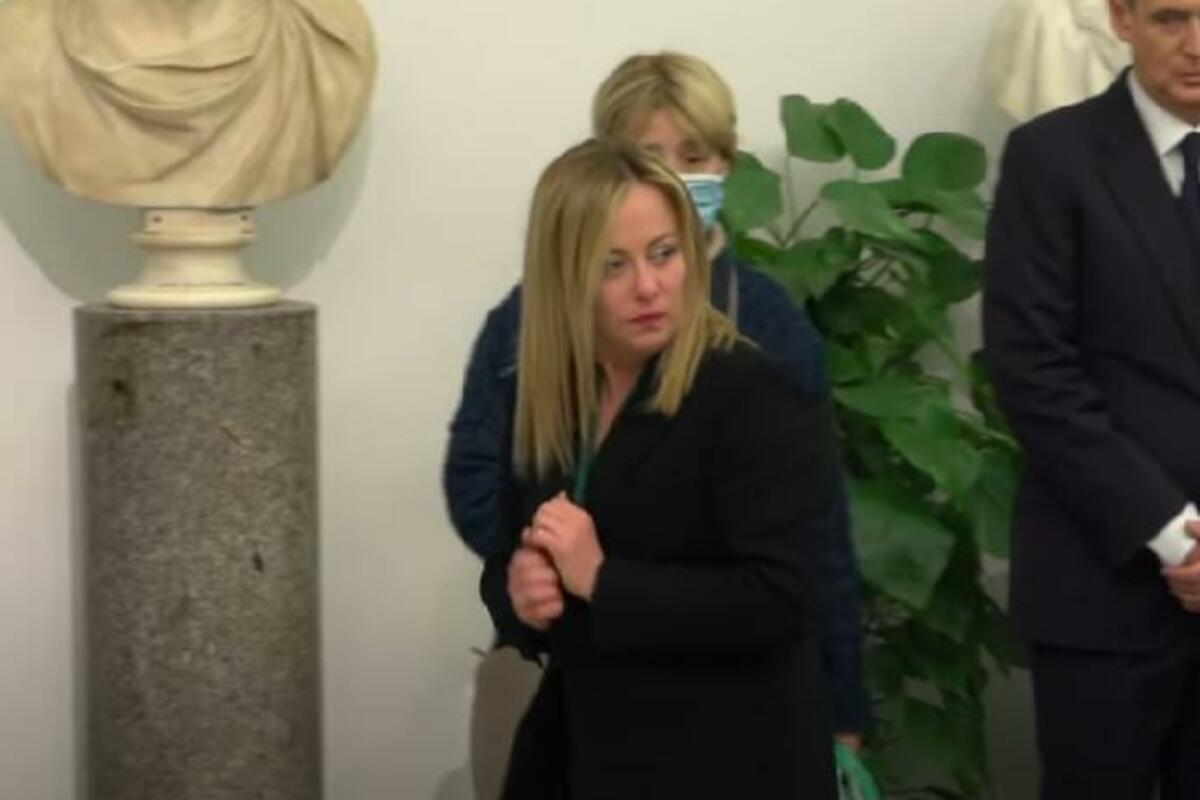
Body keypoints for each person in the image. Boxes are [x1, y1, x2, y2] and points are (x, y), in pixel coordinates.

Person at [443, 50, 870, 748]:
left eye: (694, 155)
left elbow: (806, 553)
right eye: (651, 155)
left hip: (720, 714)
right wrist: (529, 580)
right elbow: (486, 485)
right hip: (582, 697)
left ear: (727, 161)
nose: (645, 287)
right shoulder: (531, 329)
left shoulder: (765, 339)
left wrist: (844, 710)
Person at [482, 138, 838, 799]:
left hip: (726, 761)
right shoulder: (552, 395)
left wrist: (603, 579)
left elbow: (780, 596)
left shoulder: (753, 393)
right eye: (613, 265)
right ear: (565, 276)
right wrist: (519, 594)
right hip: (589, 747)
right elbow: (512, 550)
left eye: (664, 254)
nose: (648, 287)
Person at [984, 1, 1200, 797]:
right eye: (1173, 18)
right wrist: (1178, 540)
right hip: (1102, 589)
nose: (1198, 46)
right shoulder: (1052, 158)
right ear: (1122, 18)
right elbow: (1034, 371)